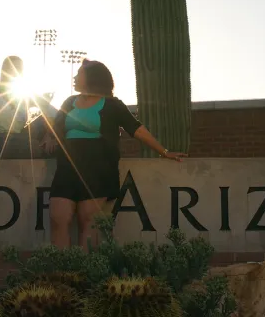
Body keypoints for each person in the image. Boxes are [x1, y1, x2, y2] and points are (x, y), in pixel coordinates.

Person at [48, 59, 185, 249]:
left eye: (79, 73)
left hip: (97, 169)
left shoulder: (112, 104)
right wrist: (49, 139)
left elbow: (135, 128)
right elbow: (55, 128)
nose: (74, 76)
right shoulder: (69, 102)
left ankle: (82, 275)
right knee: (58, 218)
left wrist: (164, 151)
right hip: (67, 168)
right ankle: (59, 276)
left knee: (88, 221)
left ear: (93, 77)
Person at [0, 55, 58, 160]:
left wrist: (49, 135)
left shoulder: (23, 94)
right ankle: (41, 149)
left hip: (19, 136)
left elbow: (52, 112)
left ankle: (46, 146)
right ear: (4, 70)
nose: (16, 72)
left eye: (19, 69)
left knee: (46, 120)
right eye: (12, 68)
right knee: (34, 147)